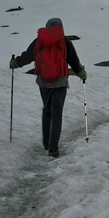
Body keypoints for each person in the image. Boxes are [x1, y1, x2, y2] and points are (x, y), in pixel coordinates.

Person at [10, 18, 87, 157]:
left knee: (47, 110)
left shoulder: (39, 41)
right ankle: (53, 148)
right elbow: (74, 62)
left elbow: (27, 57)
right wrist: (82, 74)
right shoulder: (65, 42)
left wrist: (14, 63)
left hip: (43, 82)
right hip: (60, 83)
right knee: (56, 113)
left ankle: (46, 142)